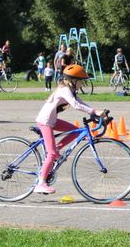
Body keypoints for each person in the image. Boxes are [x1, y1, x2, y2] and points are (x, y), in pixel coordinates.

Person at [33, 64, 100, 194]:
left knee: (76, 131)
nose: (82, 84)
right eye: (81, 81)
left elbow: (81, 103)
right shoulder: (64, 90)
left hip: (51, 120)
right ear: (72, 80)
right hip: (45, 122)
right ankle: (40, 183)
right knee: (51, 153)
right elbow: (75, 105)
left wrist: (94, 111)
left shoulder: (70, 90)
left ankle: (56, 149)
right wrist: (94, 111)